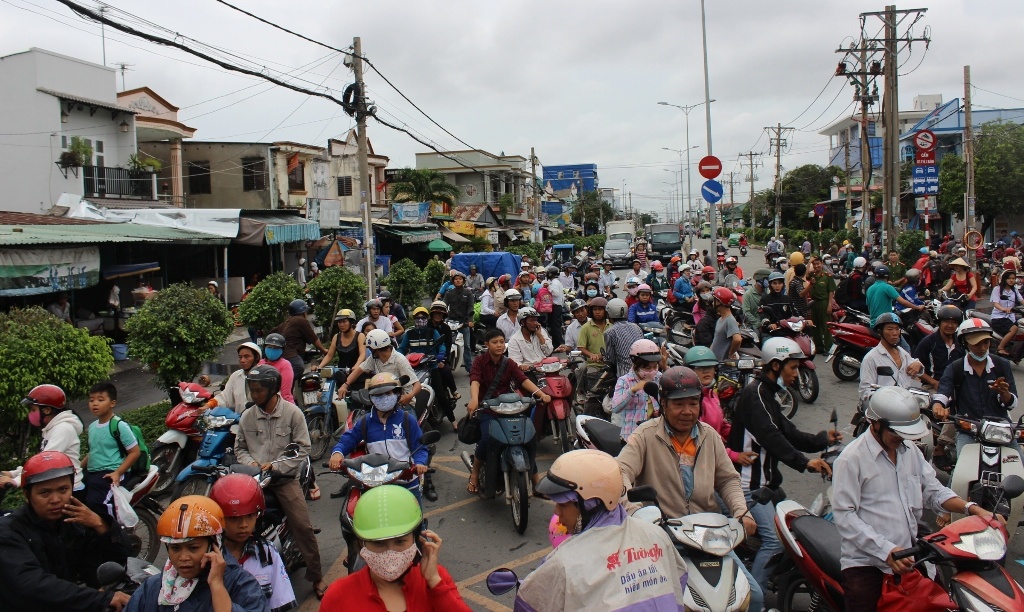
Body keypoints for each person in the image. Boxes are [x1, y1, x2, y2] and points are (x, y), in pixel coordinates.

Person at [833, 387, 1000, 612]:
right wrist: (886, 551)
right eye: (896, 433)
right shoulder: (851, 459)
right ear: (875, 424)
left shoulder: (909, 450)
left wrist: (972, 509)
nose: (901, 439)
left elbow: (933, 491)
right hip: (866, 562)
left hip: (909, 554)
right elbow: (845, 516)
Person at [618, 366, 761, 611]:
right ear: (663, 404)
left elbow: (727, 479)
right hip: (664, 537)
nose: (687, 411)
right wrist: (635, 513)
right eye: (678, 404)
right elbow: (620, 474)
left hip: (710, 536)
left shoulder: (710, 437)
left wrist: (741, 511)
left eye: (693, 404)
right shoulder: (645, 435)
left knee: (753, 597)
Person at [728, 337, 840, 595]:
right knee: (776, 542)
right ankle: (752, 599)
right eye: (794, 368)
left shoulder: (766, 394)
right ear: (776, 366)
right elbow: (772, 437)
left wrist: (821, 440)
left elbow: (787, 430)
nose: (796, 374)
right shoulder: (755, 395)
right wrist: (805, 463)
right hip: (748, 485)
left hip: (767, 482)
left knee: (793, 528)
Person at [516, 450, 689, 611]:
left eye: (563, 504)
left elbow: (530, 603)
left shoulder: (565, 562)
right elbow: (678, 583)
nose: (557, 513)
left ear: (591, 503)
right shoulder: (657, 536)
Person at [233, 365, 326, 598]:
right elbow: (240, 448)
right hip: (253, 480)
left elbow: (303, 448)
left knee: (303, 527)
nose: (254, 395)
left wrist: (275, 467)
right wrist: (252, 464)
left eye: (258, 391)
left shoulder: (293, 413)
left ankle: (316, 576)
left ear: (273, 389)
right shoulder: (247, 416)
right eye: (251, 391)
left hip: (284, 479)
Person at [0, 451, 132, 612]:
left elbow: (117, 560)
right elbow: (30, 584)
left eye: (63, 490)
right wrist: (99, 599)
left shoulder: (74, 524)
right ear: (27, 495)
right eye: (45, 492)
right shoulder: (9, 531)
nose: (55, 499)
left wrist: (101, 525)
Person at [320, 485, 469, 611]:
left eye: (400, 542)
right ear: (361, 544)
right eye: (379, 543)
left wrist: (434, 582)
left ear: (416, 541)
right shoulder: (338, 595)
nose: (390, 552)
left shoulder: (437, 578)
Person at [127, 495, 268, 612]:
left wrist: (217, 586)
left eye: (193, 548)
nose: (183, 558)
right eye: (175, 548)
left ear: (214, 546)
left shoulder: (242, 585)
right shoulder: (153, 587)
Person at [466, 329, 551, 496]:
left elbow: (523, 379)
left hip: (510, 409)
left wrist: (541, 394)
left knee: (526, 439)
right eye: (494, 342)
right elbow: (474, 379)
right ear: (487, 344)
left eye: (501, 342)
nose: (499, 345)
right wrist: (474, 399)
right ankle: (475, 474)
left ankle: (535, 483)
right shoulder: (479, 362)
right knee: (485, 439)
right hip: (488, 409)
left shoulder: (509, 363)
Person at [329, 373, 430, 500]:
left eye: (388, 393)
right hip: (377, 483)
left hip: (406, 481)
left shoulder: (407, 420)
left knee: (416, 517)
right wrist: (337, 453)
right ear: (371, 398)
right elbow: (348, 439)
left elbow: (420, 447)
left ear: (397, 393)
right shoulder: (365, 422)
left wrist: (420, 463)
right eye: (378, 395)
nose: (383, 398)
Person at [932, 318, 1020, 459]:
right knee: (961, 474)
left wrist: (1004, 393)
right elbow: (943, 392)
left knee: (1019, 468)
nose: (982, 348)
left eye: (986, 342)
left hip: (1000, 429)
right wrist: (938, 405)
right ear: (964, 343)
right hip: (968, 430)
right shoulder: (955, 368)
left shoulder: (1002, 365)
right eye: (976, 343)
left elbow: (1013, 402)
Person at [210, 475, 297, 612]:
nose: (244, 525)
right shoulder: (208, 557)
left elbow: (279, 603)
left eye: (250, 516)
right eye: (234, 518)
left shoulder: (267, 553)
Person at [0, 384, 84, 498]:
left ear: (47, 410)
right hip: (61, 487)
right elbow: (40, 459)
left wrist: (16, 481)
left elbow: (45, 462)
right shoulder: (52, 428)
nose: (30, 413)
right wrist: (13, 473)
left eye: (33, 409)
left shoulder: (63, 429)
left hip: (70, 490)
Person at [684, 347, 754, 466]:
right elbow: (701, 440)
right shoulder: (691, 402)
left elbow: (722, 426)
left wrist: (747, 435)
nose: (706, 371)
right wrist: (733, 455)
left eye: (710, 367)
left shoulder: (712, 395)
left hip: (716, 456)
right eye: (700, 368)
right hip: (700, 462)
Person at [81, 382, 138, 520]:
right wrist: (77, 467)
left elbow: (134, 452)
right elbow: (93, 452)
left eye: (100, 400)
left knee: (100, 505)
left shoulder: (119, 425)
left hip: (111, 472)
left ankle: (112, 534)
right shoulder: (93, 427)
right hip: (93, 472)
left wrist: (118, 473)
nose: (95, 403)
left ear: (112, 403)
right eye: (91, 400)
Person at [400, 306, 455, 432]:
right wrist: (397, 355)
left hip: (431, 366)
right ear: (414, 319)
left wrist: (440, 354)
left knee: (440, 393)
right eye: (418, 318)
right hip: (413, 368)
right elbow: (402, 348)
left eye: (423, 318)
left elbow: (441, 346)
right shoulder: (409, 334)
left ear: (427, 318)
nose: (420, 320)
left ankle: (454, 421)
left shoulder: (432, 332)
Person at [340, 329, 421, 408]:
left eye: (370, 348)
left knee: (408, 421)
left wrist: (409, 396)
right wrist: (345, 385)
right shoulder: (374, 358)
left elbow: (417, 384)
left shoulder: (399, 360)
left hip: (402, 403)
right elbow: (359, 370)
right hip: (382, 402)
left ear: (374, 348)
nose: (370, 350)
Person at [858, 313, 924, 400]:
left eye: (897, 329)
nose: (895, 333)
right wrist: (881, 398)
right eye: (890, 329)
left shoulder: (903, 353)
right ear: (880, 332)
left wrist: (918, 364)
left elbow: (917, 368)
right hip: (884, 407)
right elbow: (865, 390)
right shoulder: (871, 358)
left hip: (906, 404)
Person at [271, 299, 328, 397]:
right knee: (298, 367)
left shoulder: (287, 323)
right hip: (291, 356)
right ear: (303, 312)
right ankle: (283, 388)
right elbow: (313, 338)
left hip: (282, 356)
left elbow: (272, 332)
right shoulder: (300, 320)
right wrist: (324, 350)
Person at [316, 309, 366, 391]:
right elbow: (329, 355)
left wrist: (356, 366)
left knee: (356, 399)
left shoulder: (360, 336)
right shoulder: (337, 337)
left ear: (351, 322)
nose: (341, 324)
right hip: (341, 373)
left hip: (357, 374)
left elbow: (362, 354)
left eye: (344, 321)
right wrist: (320, 367)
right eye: (339, 322)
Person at [425, 301, 460, 404]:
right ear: (432, 314)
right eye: (436, 313)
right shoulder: (425, 326)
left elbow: (447, 347)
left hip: (440, 359)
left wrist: (443, 359)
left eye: (440, 314)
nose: (438, 315)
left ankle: (453, 390)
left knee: (445, 370)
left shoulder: (446, 328)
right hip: (424, 358)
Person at [214, 342, 263, 413]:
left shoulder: (265, 376)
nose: (242, 360)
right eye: (240, 357)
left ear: (256, 358)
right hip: (239, 421)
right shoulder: (235, 376)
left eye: (247, 356)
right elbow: (224, 398)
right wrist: (210, 405)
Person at [602, 298, 644, 378]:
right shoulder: (636, 327)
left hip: (624, 373)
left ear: (609, 314)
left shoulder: (609, 332)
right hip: (642, 370)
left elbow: (611, 358)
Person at [442, 270, 475, 373]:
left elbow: (471, 307)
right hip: (451, 321)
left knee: (467, 345)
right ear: (453, 281)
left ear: (463, 281)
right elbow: (444, 306)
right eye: (456, 279)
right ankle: (445, 364)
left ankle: (470, 368)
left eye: (460, 279)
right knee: (447, 343)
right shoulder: (449, 293)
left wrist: (470, 320)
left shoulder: (468, 293)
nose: (458, 281)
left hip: (464, 322)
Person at [807, 255, 836, 354]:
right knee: (815, 326)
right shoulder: (812, 275)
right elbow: (805, 275)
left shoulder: (827, 276)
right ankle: (819, 347)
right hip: (814, 303)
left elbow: (831, 291)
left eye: (818, 264)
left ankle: (828, 348)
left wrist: (829, 305)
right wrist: (809, 263)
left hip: (824, 302)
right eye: (814, 264)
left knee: (826, 327)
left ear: (822, 264)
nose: (816, 266)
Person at [991, 268, 1022, 358]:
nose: (1011, 280)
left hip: (1011, 317)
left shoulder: (1015, 290)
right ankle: (1000, 347)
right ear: (1004, 279)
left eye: (1013, 278)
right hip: (998, 317)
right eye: (1009, 278)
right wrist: (1003, 309)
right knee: (1014, 329)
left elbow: (1021, 300)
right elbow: (995, 303)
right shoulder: (997, 289)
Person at [259, 333, 296, 404]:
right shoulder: (260, 364)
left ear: (282, 350)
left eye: (276, 348)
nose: (272, 350)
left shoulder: (285, 365)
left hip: (282, 404)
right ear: (264, 348)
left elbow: (285, 393)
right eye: (269, 347)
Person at [710, 287, 741, 361]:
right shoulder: (720, 320)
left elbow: (737, 339)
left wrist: (731, 353)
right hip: (715, 362)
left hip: (722, 364)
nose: (712, 303)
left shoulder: (730, 320)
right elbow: (716, 340)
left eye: (714, 301)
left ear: (719, 302)